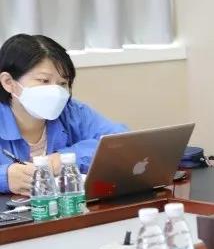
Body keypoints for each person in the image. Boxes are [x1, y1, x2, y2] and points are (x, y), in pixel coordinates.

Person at [0, 33, 127, 195]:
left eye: (62, 83)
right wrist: (4, 177)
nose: (55, 91)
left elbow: (121, 141)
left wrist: (65, 159)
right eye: (44, 80)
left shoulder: (71, 112)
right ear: (8, 82)